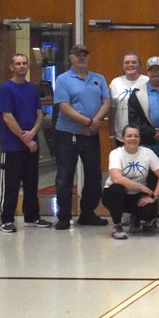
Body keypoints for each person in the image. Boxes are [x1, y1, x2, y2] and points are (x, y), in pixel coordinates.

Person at [53, 43, 110, 230]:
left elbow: (106, 102)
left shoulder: (98, 78)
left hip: (91, 135)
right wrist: (87, 122)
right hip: (68, 134)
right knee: (65, 176)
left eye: (84, 55)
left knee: (94, 176)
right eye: (78, 55)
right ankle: (63, 216)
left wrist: (95, 122)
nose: (81, 58)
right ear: (71, 58)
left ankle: (87, 213)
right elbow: (64, 107)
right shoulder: (63, 79)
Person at [0, 53, 50, 232]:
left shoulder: (32, 89)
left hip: (31, 146)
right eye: (18, 63)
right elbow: (7, 117)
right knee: (10, 184)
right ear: (11, 67)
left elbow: (39, 113)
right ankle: (6, 219)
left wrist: (33, 132)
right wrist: (25, 138)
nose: (21, 66)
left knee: (31, 183)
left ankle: (32, 216)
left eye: (24, 63)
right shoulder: (6, 89)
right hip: (12, 146)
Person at [102, 125, 159, 240]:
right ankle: (117, 226)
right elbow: (116, 178)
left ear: (139, 139)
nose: (133, 138)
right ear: (123, 139)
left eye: (136, 136)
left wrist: (154, 196)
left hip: (136, 196)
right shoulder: (116, 153)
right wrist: (141, 187)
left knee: (149, 209)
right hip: (115, 194)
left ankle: (137, 218)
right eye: (129, 136)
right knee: (117, 189)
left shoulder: (147, 153)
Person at [108, 53, 147, 148]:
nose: (130, 65)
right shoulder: (115, 83)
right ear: (122, 66)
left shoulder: (147, 81)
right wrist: (111, 136)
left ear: (140, 65)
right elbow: (112, 111)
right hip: (121, 136)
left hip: (143, 135)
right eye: (127, 62)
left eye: (134, 62)